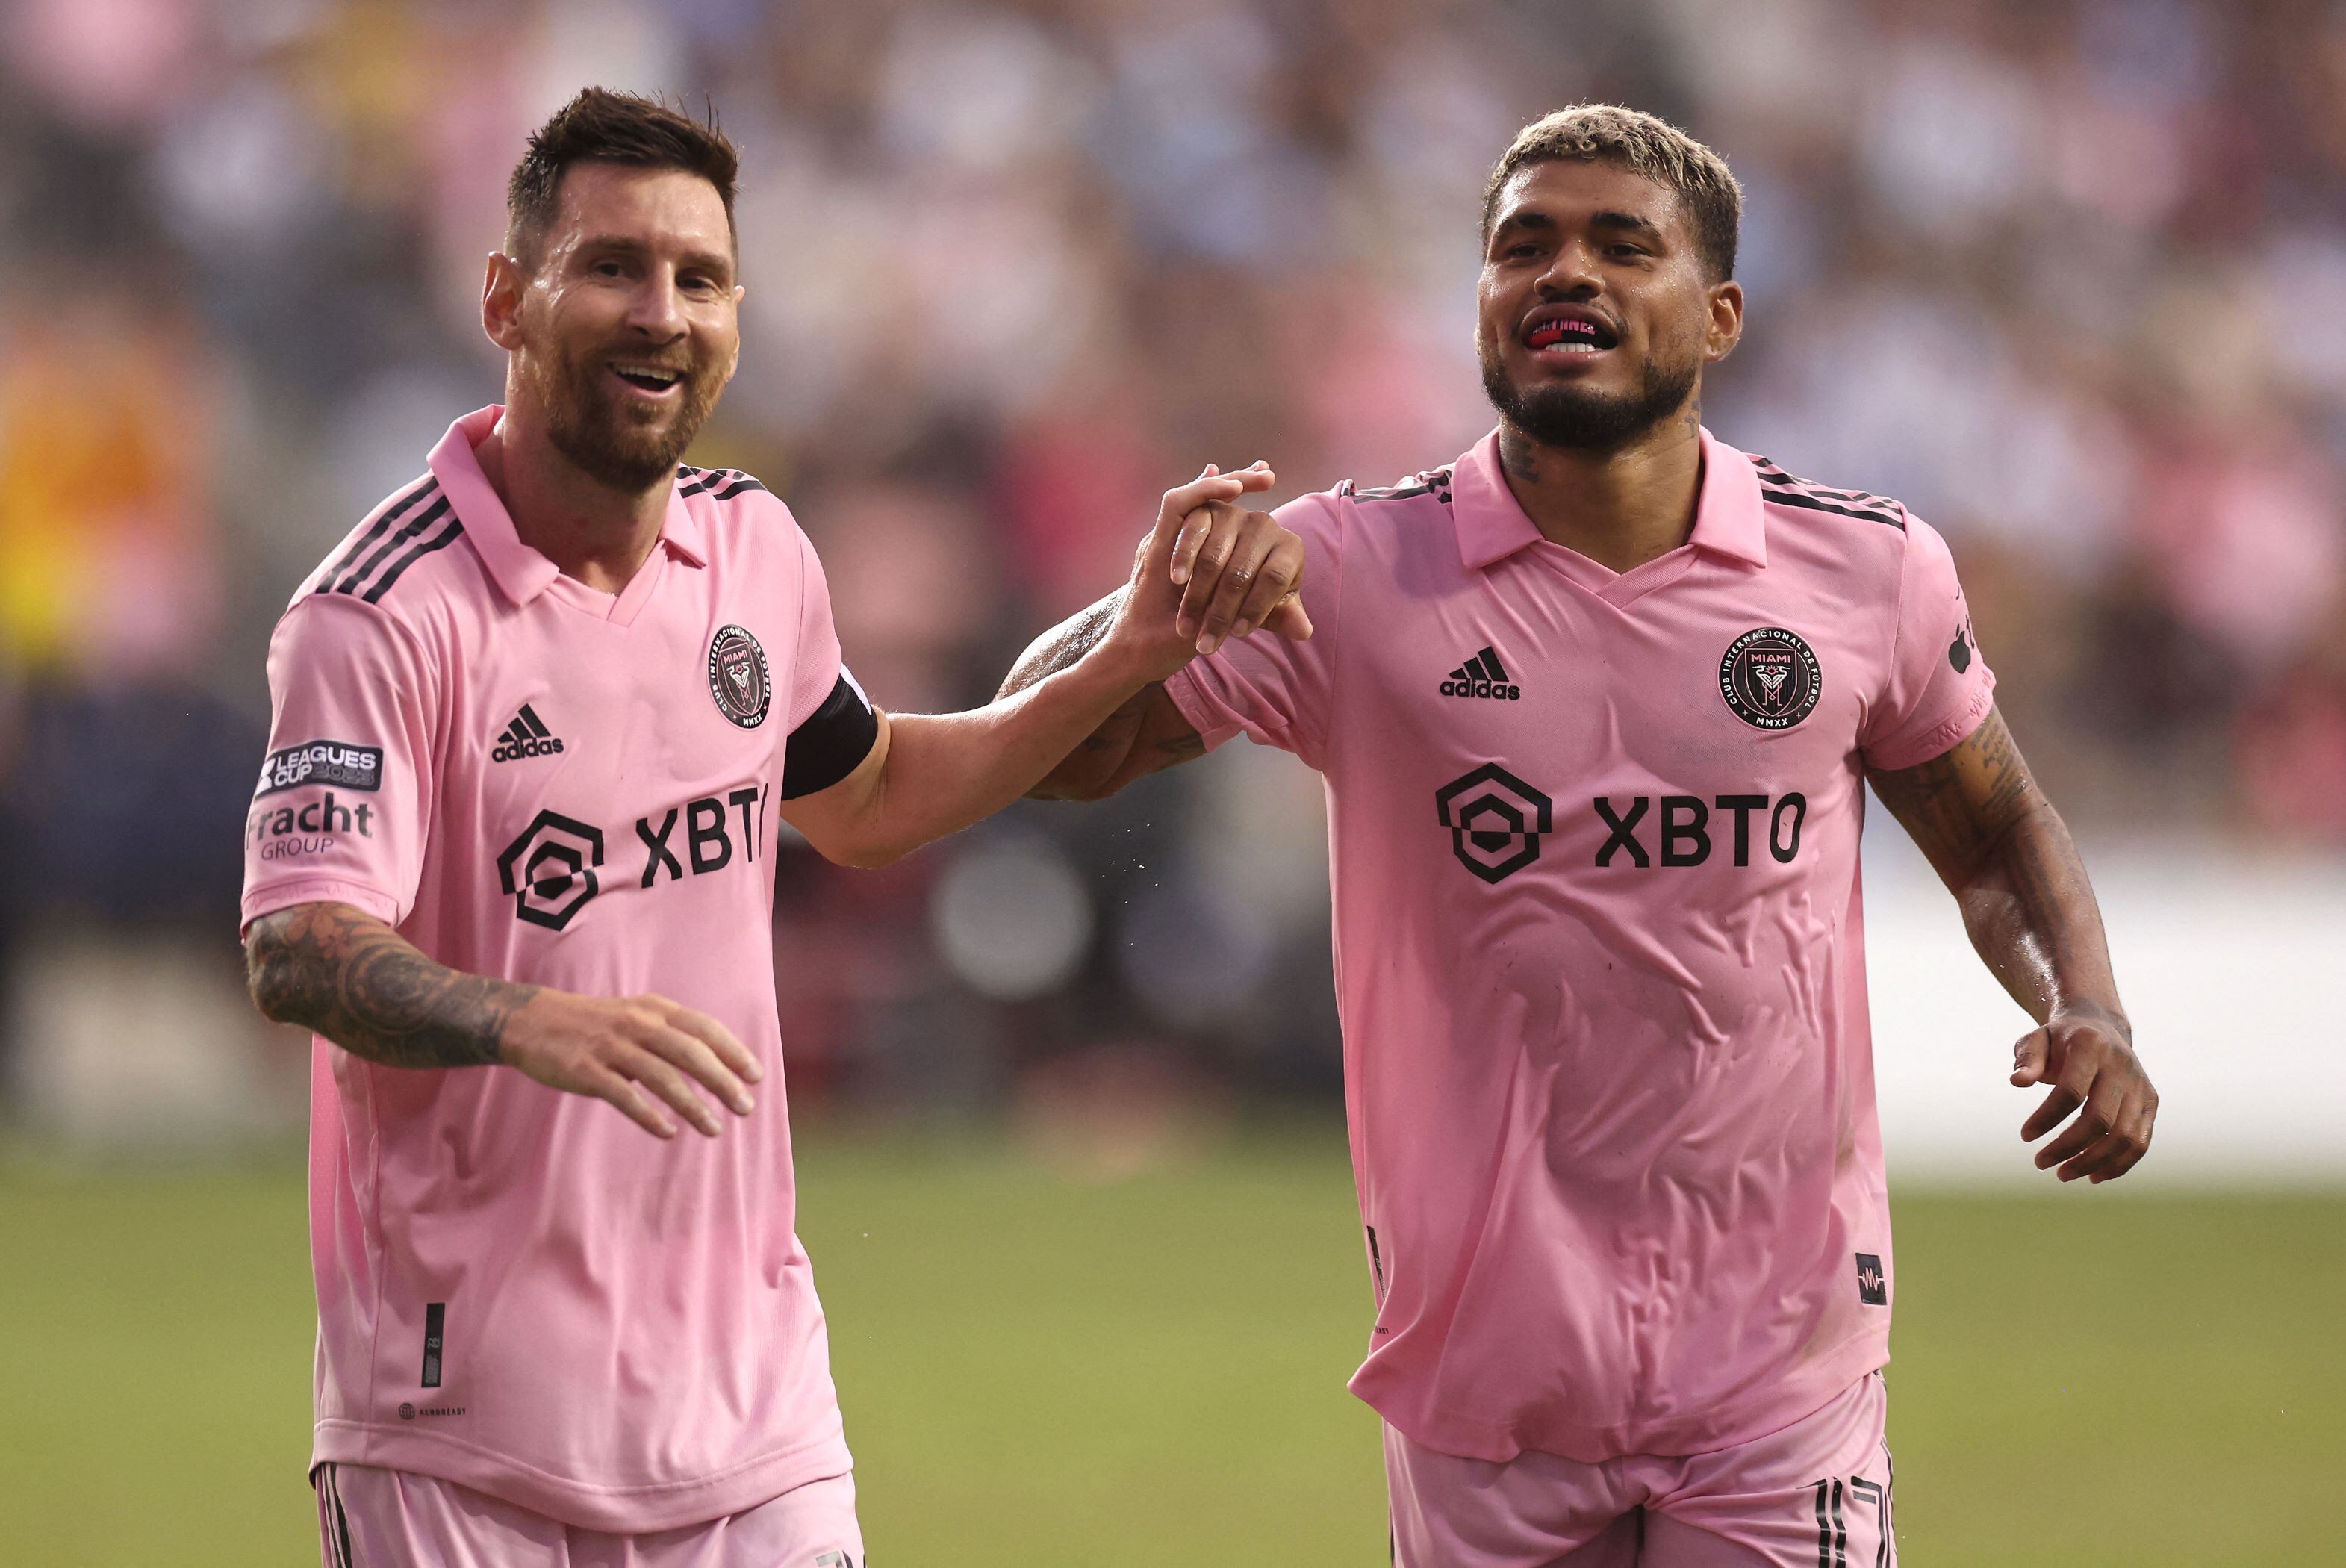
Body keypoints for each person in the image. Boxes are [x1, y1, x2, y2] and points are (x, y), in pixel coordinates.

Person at [1008, 104, 2158, 1568]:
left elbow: (1995, 836)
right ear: (1482, 303)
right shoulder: (1356, 569)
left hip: (1777, 1371)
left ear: (1720, 314)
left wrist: (2091, 1009)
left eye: (1625, 246)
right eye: (1523, 246)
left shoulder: (1863, 571)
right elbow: (1043, 751)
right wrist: (1148, 610)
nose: (1569, 274)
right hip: (1485, 1371)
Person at [238, 88, 1306, 1568]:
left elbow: (867, 801)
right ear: (507, 296)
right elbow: (297, 945)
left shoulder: (754, 549)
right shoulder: (377, 616)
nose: (660, 311)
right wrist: (515, 1020)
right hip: (458, 1433)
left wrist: (1128, 654)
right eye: (613, 265)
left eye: (701, 277)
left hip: (754, 1425)